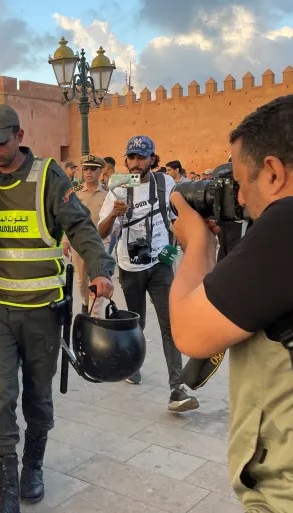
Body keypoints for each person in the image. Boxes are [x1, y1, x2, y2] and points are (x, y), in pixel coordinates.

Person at [0, 104, 114, 513]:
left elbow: (80, 225)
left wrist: (100, 269)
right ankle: (6, 489)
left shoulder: (48, 175)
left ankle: (32, 466)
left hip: (41, 310)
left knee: (37, 394)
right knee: (0, 395)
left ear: (19, 136)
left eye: (1, 143)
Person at [170, 94, 293, 511]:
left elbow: (191, 333)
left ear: (273, 173)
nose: (241, 199)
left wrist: (197, 243)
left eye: (242, 183)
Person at [98, 135, 199, 412]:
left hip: (160, 264)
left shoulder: (165, 183)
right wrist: (114, 215)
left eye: (142, 157)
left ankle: (177, 389)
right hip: (130, 267)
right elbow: (101, 232)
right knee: (137, 323)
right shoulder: (119, 186)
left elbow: (181, 217)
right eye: (131, 157)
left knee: (169, 324)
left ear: (153, 159)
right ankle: (133, 367)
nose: (135, 162)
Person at [61, 154, 110, 313]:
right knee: (81, 280)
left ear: (100, 172)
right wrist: (65, 240)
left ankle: (94, 314)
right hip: (79, 242)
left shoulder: (108, 193)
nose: (89, 172)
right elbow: (68, 217)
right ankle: (85, 303)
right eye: (86, 169)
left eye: (93, 169)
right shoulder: (74, 192)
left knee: (98, 277)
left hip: (101, 242)